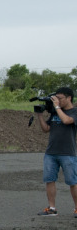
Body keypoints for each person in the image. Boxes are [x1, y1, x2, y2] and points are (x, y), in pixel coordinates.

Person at [34, 86, 77, 216]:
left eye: (60, 98)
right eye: (55, 98)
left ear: (69, 98)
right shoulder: (54, 112)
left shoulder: (74, 112)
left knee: (72, 181)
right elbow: (46, 129)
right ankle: (52, 208)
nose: (56, 100)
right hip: (51, 152)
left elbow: (67, 120)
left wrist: (57, 107)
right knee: (49, 179)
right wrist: (40, 115)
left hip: (68, 153)